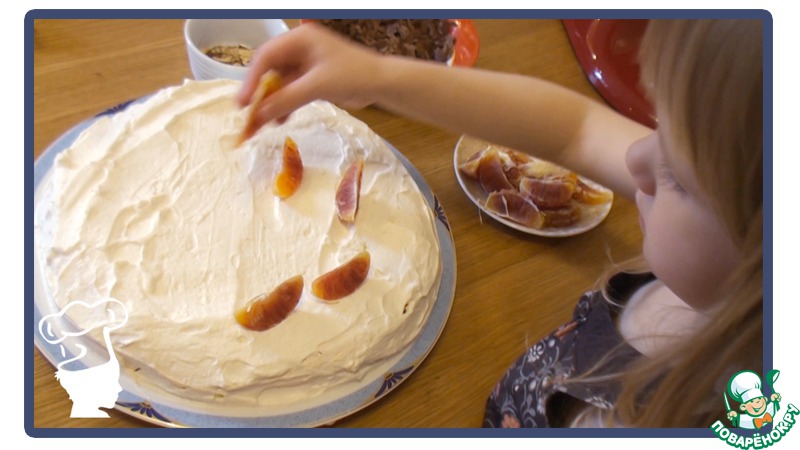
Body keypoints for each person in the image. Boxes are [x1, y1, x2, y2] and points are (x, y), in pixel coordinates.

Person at [237, 20, 763, 428]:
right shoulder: (723, 242)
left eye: (678, 178)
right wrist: (376, 74)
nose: (637, 159)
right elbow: (576, 129)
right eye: (655, 128)